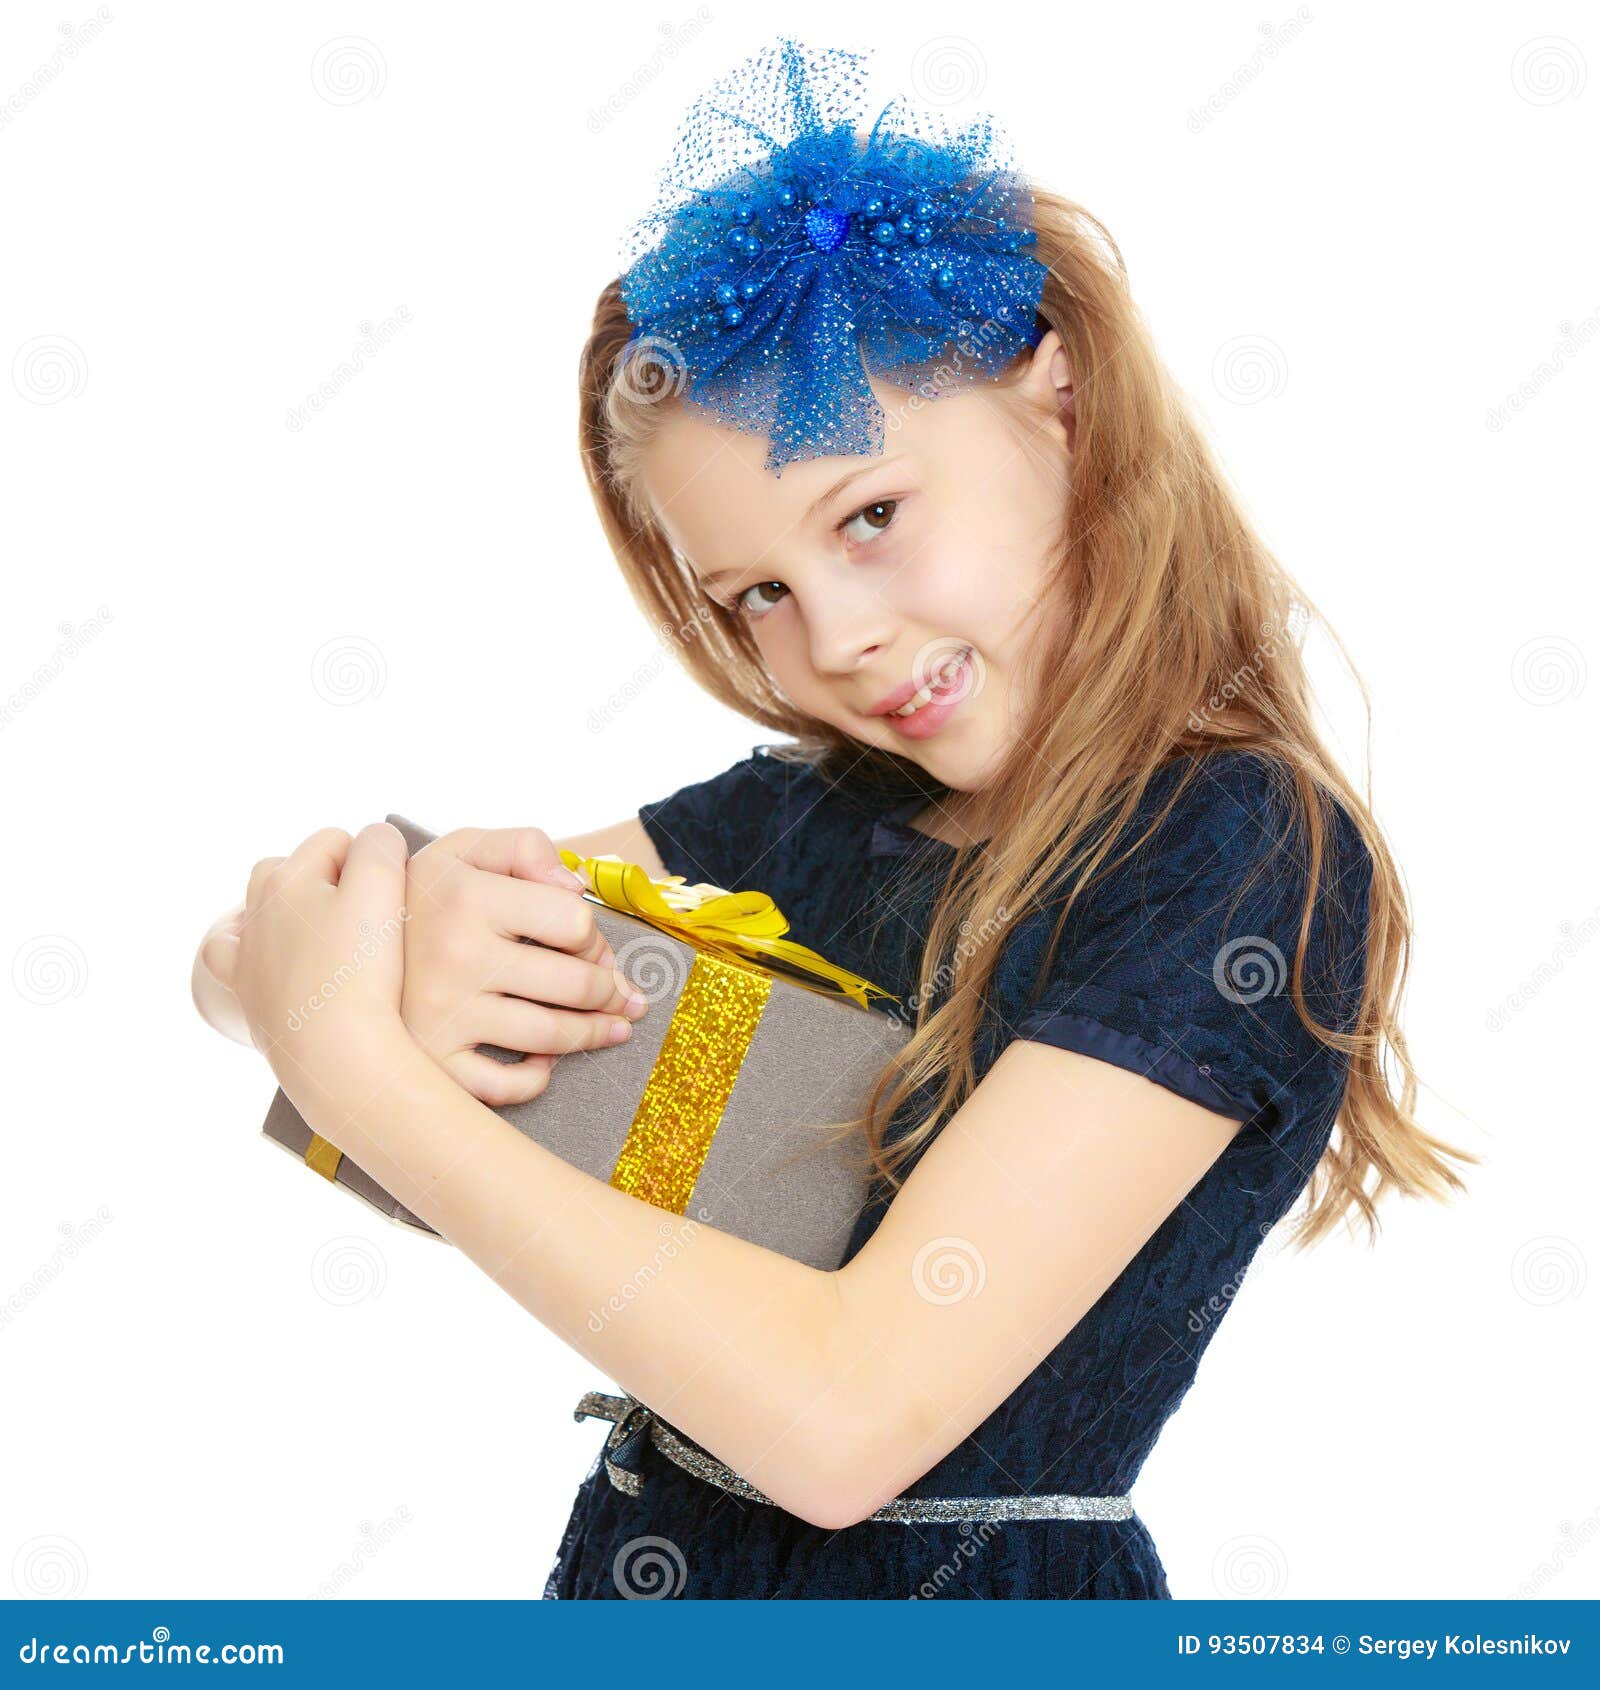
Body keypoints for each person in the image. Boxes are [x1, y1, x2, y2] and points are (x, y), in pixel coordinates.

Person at [192, 38, 1475, 1598]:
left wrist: (352, 1066)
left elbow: (840, 1421)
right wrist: (419, 912)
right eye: (760, 596)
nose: (837, 639)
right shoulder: (809, 817)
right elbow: (260, 951)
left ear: (1060, 404)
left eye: (870, 515)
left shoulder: (1237, 852)